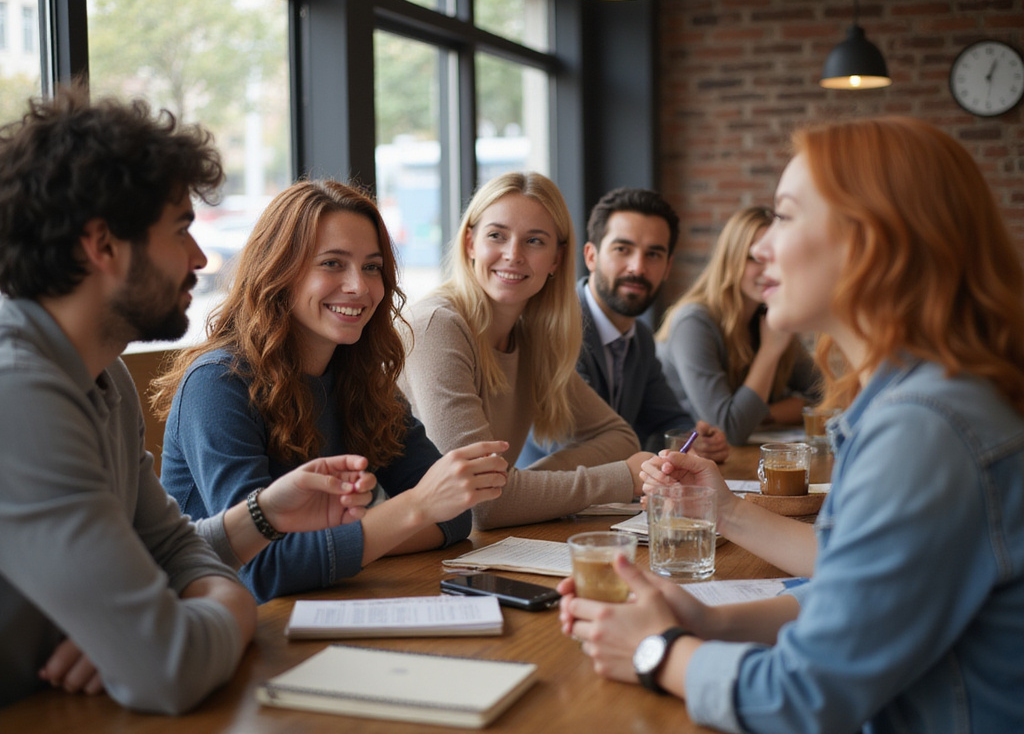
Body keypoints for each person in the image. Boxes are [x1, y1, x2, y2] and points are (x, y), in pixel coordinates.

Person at [559, 116, 1024, 733]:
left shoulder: (926, 427)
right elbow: (851, 586)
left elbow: (808, 697)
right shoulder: (926, 396)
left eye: (784, 216)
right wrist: (706, 619)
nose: (760, 250)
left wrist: (657, 652)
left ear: (872, 242)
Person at [0, 87, 375, 712]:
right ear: (103, 245)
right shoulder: (19, 395)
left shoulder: (103, 374)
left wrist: (261, 519)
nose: (200, 258)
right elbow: (167, 665)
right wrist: (230, 604)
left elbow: (168, 550)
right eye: (180, 231)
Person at [152, 179, 508, 603]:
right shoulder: (217, 383)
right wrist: (410, 511)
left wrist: (333, 548)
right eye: (332, 264)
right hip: (217, 624)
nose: (359, 286)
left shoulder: (358, 376)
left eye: (372, 267)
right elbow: (264, 567)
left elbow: (454, 517)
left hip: (317, 610)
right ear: (279, 271)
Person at [399, 171, 647, 530]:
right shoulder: (436, 326)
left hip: (457, 545)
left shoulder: (533, 337)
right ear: (470, 243)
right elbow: (481, 504)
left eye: (534, 241)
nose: (513, 255)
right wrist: (621, 479)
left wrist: (524, 485)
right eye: (496, 235)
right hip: (394, 553)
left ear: (557, 259)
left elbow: (620, 438)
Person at [518, 187, 729, 466]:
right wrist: (664, 449)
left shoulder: (639, 336)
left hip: (610, 489)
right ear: (591, 256)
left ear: (667, 267)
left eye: (653, 254)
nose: (637, 268)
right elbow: (579, 441)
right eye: (622, 249)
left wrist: (695, 441)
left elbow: (668, 421)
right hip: (547, 488)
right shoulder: (556, 328)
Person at [656, 206, 820, 444]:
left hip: (732, 459)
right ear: (730, 260)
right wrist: (770, 351)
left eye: (777, 257)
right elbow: (727, 429)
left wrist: (761, 414)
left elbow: (827, 395)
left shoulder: (765, 317)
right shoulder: (693, 322)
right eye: (755, 258)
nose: (770, 270)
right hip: (673, 459)